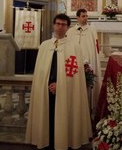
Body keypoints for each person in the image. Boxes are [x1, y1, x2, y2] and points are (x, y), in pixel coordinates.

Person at [26, 13, 92, 150]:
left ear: (68, 27)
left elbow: (73, 74)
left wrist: (60, 85)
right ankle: (46, 141)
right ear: (53, 25)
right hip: (46, 89)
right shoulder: (44, 46)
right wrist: (46, 84)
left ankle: (63, 141)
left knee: (63, 117)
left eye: (63, 25)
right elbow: (40, 72)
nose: (60, 27)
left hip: (65, 91)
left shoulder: (74, 47)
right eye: (58, 24)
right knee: (47, 117)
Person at [67, 8, 101, 118]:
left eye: (86, 16)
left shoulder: (92, 30)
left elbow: (95, 48)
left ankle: (89, 108)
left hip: (88, 62)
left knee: (88, 85)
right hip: (74, 63)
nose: (85, 18)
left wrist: (90, 61)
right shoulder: (71, 31)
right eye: (83, 16)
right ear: (77, 17)